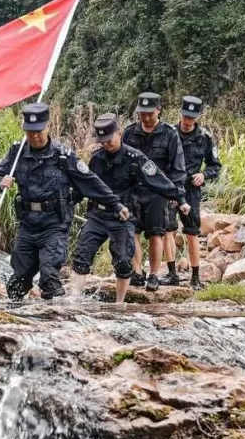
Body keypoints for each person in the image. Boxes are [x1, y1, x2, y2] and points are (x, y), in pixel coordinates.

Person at [0, 102, 123, 302]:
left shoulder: (63, 155)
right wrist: (0, 182)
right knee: (18, 281)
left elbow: (90, 181)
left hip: (54, 225)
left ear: (47, 127)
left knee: (49, 274)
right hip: (27, 225)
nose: (34, 136)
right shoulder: (17, 153)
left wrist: (116, 204)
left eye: (38, 131)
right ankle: (18, 322)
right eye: (29, 131)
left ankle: (58, 317)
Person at [70, 114, 190, 303]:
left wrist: (180, 198)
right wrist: (68, 202)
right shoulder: (97, 159)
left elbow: (158, 180)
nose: (106, 144)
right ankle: (74, 300)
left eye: (109, 140)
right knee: (81, 255)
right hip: (98, 216)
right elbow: (85, 186)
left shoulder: (135, 157)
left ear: (119, 133)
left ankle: (119, 303)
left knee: (124, 262)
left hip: (123, 217)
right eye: (102, 141)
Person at [122, 92, 187, 291]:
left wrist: (175, 194)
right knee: (131, 230)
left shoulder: (169, 133)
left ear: (158, 111)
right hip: (133, 190)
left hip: (158, 192)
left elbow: (178, 167)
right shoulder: (129, 133)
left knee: (155, 234)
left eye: (150, 113)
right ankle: (137, 271)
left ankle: (153, 274)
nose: (146, 117)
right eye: (142, 113)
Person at [165, 95, 222, 289]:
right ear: (180, 114)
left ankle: (195, 278)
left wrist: (204, 175)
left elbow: (216, 166)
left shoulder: (204, 137)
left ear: (197, 116)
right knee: (168, 229)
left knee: (192, 232)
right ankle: (172, 275)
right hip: (171, 187)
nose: (187, 120)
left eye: (191, 117)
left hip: (191, 189)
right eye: (185, 116)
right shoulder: (169, 133)